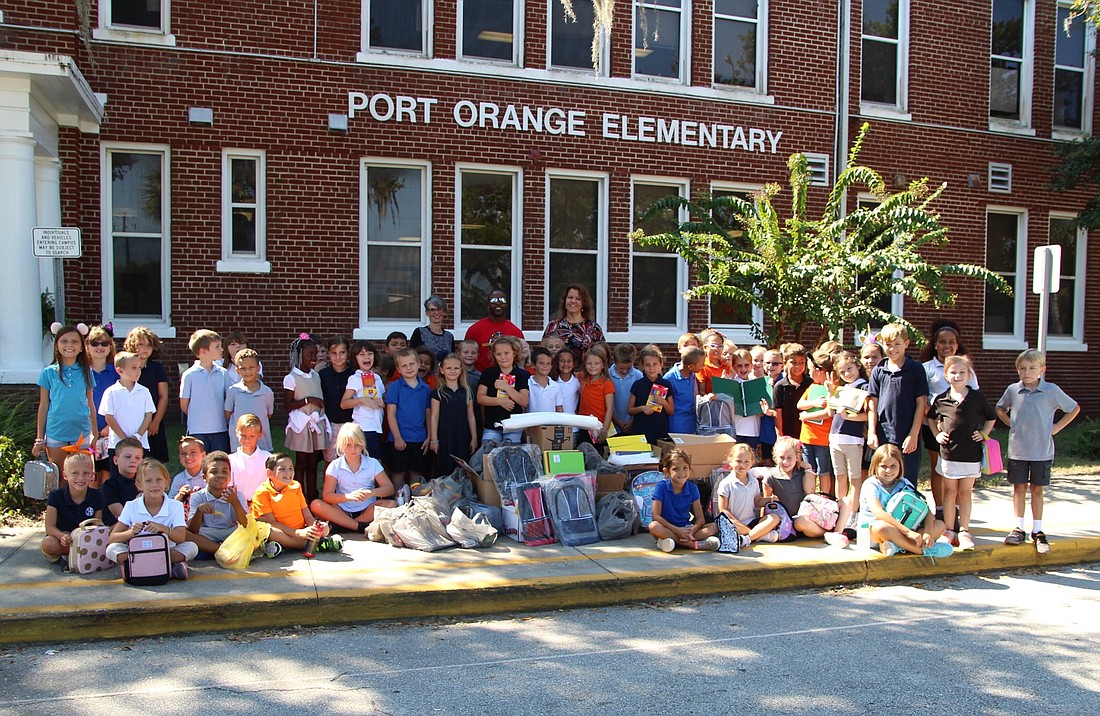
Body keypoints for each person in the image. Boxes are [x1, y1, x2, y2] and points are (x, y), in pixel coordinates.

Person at [996, 349, 1080, 554]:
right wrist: (1010, 423)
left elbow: (1073, 408)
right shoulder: (1013, 390)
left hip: (1041, 450)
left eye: (1032, 368)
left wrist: (1056, 428)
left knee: (1037, 489)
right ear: (1017, 370)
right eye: (1022, 368)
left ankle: (1038, 530)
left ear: (1042, 369)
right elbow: (1000, 408)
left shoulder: (1051, 390)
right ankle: (1018, 527)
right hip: (1018, 450)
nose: (1027, 372)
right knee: (1019, 489)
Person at [927, 355, 996, 552]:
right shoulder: (941, 399)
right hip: (949, 454)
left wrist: (983, 434)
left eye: (962, 372)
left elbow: (991, 417)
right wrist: (937, 434)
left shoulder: (977, 397)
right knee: (949, 492)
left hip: (970, 454)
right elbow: (931, 418)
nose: (957, 375)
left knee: (965, 493)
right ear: (946, 375)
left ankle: (964, 531)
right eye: (953, 372)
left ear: (969, 375)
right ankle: (949, 530)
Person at [919, 320, 978, 522]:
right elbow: (921, 396)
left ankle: (959, 510)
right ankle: (942, 508)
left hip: (959, 428)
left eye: (951, 342)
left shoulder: (965, 368)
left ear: (957, 344)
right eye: (942, 342)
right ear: (935, 344)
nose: (947, 346)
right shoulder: (926, 368)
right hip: (935, 426)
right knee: (940, 468)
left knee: (960, 470)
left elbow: (975, 397)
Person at [107, 459, 200, 580]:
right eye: (148, 481)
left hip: (166, 550)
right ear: (139, 485)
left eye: (159, 480)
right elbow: (113, 537)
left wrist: (164, 529)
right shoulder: (131, 506)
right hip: (138, 550)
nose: (154, 485)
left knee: (192, 547)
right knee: (111, 549)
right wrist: (131, 532)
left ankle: (135, 568)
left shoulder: (175, 505)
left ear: (166, 482)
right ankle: (168, 568)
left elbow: (181, 537)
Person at [860, 444, 951, 558]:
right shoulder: (871, 484)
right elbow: (879, 514)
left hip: (906, 529)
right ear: (875, 466)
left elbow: (925, 509)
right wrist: (908, 533)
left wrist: (928, 533)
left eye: (893, 466)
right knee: (882, 527)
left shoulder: (904, 483)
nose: (889, 470)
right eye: (883, 466)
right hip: (878, 534)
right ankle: (920, 551)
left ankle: (897, 546)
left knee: (940, 525)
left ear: (900, 466)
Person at [867, 323, 929, 483]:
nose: (892, 349)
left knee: (906, 480)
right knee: (883, 479)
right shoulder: (878, 370)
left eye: (897, 344)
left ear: (906, 344)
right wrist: (871, 432)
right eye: (888, 345)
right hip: (883, 434)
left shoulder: (916, 369)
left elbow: (921, 404)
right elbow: (872, 404)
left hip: (907, 435)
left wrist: (913, 434)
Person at [33, 323, 96, 472]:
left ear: (81, 347)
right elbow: (43, 406)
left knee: (80, 476)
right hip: (56, 431)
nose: (69, 345)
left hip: (81, 431)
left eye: (75, 341)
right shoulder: (48, 373)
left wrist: (95, 432)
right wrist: (40, 438)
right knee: (60, 476)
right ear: (56, 345)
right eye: (64, 341)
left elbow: (90, 403)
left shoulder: (86, 371)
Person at [311, 424, 397, 533]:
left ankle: (344, 526)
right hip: (342, 510)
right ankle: (357, 526)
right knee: (315, 505)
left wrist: (372, 492)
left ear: (363, 444)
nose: (353, 449)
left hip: (367, 510)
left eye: (357, 445)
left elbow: (389, 488)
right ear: (341, 446)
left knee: (391, 504)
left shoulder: (372, 463)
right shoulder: (335, 465)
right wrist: (348, 497)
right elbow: (327, 496)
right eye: (348, 445)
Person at [252, 453, 339, 553]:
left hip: (301, 530)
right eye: (282, 469)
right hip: (282, 531)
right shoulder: (262, 492)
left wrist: (314, 527)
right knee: (270, 531)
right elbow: (272, 523)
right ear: (269, 473)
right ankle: (314, 544)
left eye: (291, 468)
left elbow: (307, 515)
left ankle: (287, 545)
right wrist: (298, 533)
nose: (288, 473)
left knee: (325, 527)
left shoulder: (296, 486)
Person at [283, 333, 329, 504]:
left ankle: (312, 498)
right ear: (299, 356)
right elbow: (287, 405)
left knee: (313, 464)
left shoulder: (316, 376)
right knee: (301, 463)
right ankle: (298, 499)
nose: (314, 358)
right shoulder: (291, 378)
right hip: (301, 425)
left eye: (315, 355)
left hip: (315, 423)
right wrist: (309, 401)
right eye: (310, 355)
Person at [827, 350, 869, 528]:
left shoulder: (864, 387)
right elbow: (830, 412)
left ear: (857, 365)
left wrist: (849, 417)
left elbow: (868, 415)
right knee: (840, 476)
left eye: (849, 368)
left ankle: (853, 512)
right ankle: (840, 510)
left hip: (853, 439)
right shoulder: (842, 388)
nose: (847, 374)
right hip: (835, 438)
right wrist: (830, 393)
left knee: (855, 478)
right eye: (842, 372)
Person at [648, 449, 719, 552]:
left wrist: (691, 530)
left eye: (685, 468)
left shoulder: (692, 488)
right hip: (667, 528)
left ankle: (670, 542)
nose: (681, 473)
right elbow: (656, 516)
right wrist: (676, 530)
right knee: (653, 526)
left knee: (714, 527)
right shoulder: (661, 487)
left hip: (686, 528)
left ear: (689, 469)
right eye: (676, 469)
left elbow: (700, 518)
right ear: (667, 471)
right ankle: (693, 545)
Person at [41, 452, 104, 564]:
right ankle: (75, 555)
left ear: (92, 475)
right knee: (48, 544)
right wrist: (62, 536)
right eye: (75, 473)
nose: (80, 478)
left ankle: (75, 555)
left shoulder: (97, 495)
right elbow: (49, 527)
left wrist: (84, 538)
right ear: (65, 475)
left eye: (86, 473)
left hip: (86, 538)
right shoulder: (55, 496)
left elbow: (97, 525)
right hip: (64, 538)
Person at [185, 451, 251, 558]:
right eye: (214, 472)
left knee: (255, 533)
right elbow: (192, 530)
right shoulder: (198, 496)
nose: (220, 475)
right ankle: (222, 551)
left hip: (231, 534)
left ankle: (216, 552)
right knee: (184, 534)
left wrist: (235, 503)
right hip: (207, 536)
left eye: (225, 472)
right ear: (204, 477)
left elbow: (247, 525)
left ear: (230, 476)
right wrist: (199, 512)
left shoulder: (237, 495)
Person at [386, 348, 433, 495]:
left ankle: (415, 504)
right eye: (404, 365)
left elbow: (428, 414)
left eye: (412, 364)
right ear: (398, 369)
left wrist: (429, 437)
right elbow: (391, 414)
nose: (409, 368)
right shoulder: (395, 387)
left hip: (419, 438)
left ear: (418, 364)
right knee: (398, 472)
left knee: (416, 473)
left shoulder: (425, 389)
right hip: (400, 438)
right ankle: (398, 503)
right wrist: (398, 437)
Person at [715, 443, 779, 547]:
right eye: (738, 461)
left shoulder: (753, 481)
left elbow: (757, 501)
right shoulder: (726, 483)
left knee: (774, 518)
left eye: (746, 462)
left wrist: (769, 500)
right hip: (734, 523)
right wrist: (737, 523)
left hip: (751, 521)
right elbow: (723, 509)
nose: (742, 465)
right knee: (725, 524)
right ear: (730, 461)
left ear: (752, 462)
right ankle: (758, 535)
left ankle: (747, 538)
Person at [123, 326, 170, 462]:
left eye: (149, 345)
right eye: (141, 345)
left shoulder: (157, 368)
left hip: (152, 421)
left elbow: (163, 396)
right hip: (131, 421)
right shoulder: (124, 367)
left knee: (154, 461)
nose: (145, 348)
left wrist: (156, 421)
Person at [179, 329, 230, 453]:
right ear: (203, 351)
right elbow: (184, 404)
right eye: (217, 347)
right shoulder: (190, 375)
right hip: (197, 430)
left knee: (219, 461)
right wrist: (197, 416)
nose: (221, 350)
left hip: (219, 428)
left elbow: (228, 398)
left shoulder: (223, 373)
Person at [759, 436, 820, 540]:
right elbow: (765, 505)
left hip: (804, 521)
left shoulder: (802, 472)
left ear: (797, 457)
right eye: (781, 458)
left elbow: (809, 491)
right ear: (776, 457)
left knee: (800, 522)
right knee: (796, 523)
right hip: (785, 523)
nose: (785, 462)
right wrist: (763, 523)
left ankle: (826, 533)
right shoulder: (771, 477)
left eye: (790, 458)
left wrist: (808, 468)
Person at [430, 354, 478, 477]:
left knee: (463, 465)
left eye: (456, 368)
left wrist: (474, 438)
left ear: (461, 370)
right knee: (444, 465)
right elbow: (434, 417)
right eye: (449, 368)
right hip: (445, 435)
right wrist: (434, 440)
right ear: (442, 370)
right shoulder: (438, 393)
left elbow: (471, 416)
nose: (452, 371)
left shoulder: (467, 391)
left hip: (463, 435)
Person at [476, 336, 530, 444]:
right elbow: (480, 398)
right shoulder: (488, 373)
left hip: (514, 426)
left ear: (514, 353)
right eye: (498, 354)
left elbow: (524, 401)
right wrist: (500, 401)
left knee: (510, 457)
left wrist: (507, 387)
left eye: (506, 353)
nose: (503, 357)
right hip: (492, 425)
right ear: (494, 356)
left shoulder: (522, 375)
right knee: (489, 455)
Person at [796, 347, 835, 495]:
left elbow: (828, 413)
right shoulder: (812, 387)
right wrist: (814, 403)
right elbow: (800, 405)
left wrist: (806, 416)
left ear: (819, 371)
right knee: (809, 469)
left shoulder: (833, 388)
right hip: (807, 437)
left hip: (822, 439)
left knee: (823, 471)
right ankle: (810, 496)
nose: (808, 372)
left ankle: (825, 497)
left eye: (811, 369)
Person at [99, 351, 155, 451]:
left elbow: (148, 416)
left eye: (139, 367)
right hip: (117, 444)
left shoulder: (144, 391)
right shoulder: (111, 392)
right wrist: (124, 439)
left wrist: (137, 436)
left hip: (140, 444)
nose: (138, 371)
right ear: (120, 371)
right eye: (134, 368)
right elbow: (109, 417)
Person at [342, 340, 386, 459]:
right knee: (370, 461)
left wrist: (383, 403)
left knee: (375, 460)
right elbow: (344, 403)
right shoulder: (355, 378)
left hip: (377, 427)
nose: (366, 357)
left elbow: (383, 399)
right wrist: (362, 400)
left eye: (370, 353)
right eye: (362, 354)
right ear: (355, 358)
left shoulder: (377, 378)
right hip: (363, 428)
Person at [86, 324, 118, 486]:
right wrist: (92, 430)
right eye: (95, 343)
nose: (100, 347)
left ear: (110, 346)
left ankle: (104, 508)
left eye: (104, 343)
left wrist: (108, 427)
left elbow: (120, 401)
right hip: (86, 430)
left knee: (106, 473)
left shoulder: (116, 372)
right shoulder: (82, 372)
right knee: (90, 473)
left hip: (108, 430)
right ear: (87, 345)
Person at [224, 348, 275, 452]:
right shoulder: (233, 391)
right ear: (237, 370)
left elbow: (269, 414)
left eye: (251, 367)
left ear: (258, 368)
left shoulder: (267, 392)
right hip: (239, 444)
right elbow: (228, 414)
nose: (247, 372)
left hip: (262, 444)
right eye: (243, 368)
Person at [465, 288, 524, 372]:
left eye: (502, 301)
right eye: (493, 301)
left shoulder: (515, 332)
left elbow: (520, 358)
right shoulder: (475, 330)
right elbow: (466, 355)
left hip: (508, 378)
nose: (498, 304)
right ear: (488, 304)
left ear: (507, 304)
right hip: (480, 377)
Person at [628, 344, 673, 445]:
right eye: (647, 365)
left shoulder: (666, 384)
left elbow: (671, 411)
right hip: (640, 431)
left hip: (660, 431)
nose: (651, 368)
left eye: (655, 364)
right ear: (642, 366)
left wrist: (664, 403)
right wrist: (642, 408)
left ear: (661, 364)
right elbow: (630, 410)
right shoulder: (638, 384)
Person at [319, 335, 354, 463]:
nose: (338, 357)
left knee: (350, 458)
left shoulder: (354, 374)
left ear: (348, 353)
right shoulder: (323, 375)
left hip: (351, 422)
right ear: (328, 354)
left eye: (342, 353)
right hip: (330, 422)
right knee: (330, 459)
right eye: (334, 353)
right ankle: (329, 483)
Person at [541, 284, 604, 355]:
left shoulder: (593, 328)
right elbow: (542, 354)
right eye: (570, 297)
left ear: (584, 303)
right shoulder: (552, 326)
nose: (573, 301)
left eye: (578, 299)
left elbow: (602, 355)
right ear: (564, 301)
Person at [770, 342, 812, 440]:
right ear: (785, 363)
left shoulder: (810, 383)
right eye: (793, 362)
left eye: (802, 362)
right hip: (788, 434)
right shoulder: (780, 386)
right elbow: (777, 412)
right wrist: (779, 435)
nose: (798, 366)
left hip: (807, 433)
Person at [228, 413, 272, 504]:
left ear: (259, 435)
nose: (247, 440)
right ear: (237, 433)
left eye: (252, 436)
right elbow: (229, 488)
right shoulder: (230, 460)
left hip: (263, 507)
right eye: (243, 435)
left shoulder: (267, 458)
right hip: (238, 507)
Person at [577, 348, 615, 445]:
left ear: (603, 365)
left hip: (598, 428)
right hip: (583, 426)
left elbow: (610, 409)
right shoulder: (582, 378)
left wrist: (604, 430)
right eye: (589, 363)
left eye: (597, 363)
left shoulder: (607, 383)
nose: (593, 366)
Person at [664, 346, 704, 435]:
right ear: (690, 366)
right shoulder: (669, 379)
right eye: (701, 364)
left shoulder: (692, 374)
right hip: (677, 427)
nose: (703, 366)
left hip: (693, 425)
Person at [410, 295, 456, 363]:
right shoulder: (419, 332)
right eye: (432, 310)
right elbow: (412, 356)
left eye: (439, 309)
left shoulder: (449, 336)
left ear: (444, 312)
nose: (436, 313)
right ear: (427, 313)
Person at [169, 435, 207, 517]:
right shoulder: (179, 479)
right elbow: (168, 505)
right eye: (183, 453)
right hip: (186, 519)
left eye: (193, 452)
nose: (188, 457)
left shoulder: (209, 476)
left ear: (203, 455)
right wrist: (179, 495)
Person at [609, 343, 642, 435]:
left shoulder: (638, 376)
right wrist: (617, 421)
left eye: (628, 368)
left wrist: (632, 421)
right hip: (612, 426)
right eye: (621, 368)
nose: (624, 371)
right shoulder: (607, 376)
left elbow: (641, 401)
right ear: (614, 361)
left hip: (633, 425)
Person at [526, 348, 563, 414]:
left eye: (548, 363)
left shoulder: (555, 386)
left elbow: (559, 408)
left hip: (550, 423)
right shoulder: (527, 383)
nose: (545, 366)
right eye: (541, 363)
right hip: (532, 422)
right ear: (533, 365)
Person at [695, 329, 727, 396]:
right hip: (710, 403)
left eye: (720, 346)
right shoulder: (702, 367)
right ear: (705, 347)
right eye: (713, 346)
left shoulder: (726, 365)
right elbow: (701, 391)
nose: (716, 348)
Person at [553, 347, 581, 416]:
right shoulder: (553, 382)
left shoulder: (577, 382)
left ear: (574, 364)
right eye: (562, 361)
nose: (565, 364)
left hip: (572, 421)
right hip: (554, 419)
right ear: (557, 363)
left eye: (569, 361)